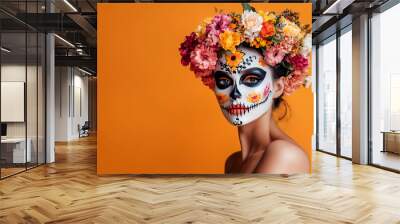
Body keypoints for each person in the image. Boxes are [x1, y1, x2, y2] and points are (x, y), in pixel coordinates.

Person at [179, 4, 312, 174]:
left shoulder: (284, 155)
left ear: (277, 88)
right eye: (224, 81)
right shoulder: (233, 162)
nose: (235, 93)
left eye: (251, 79)